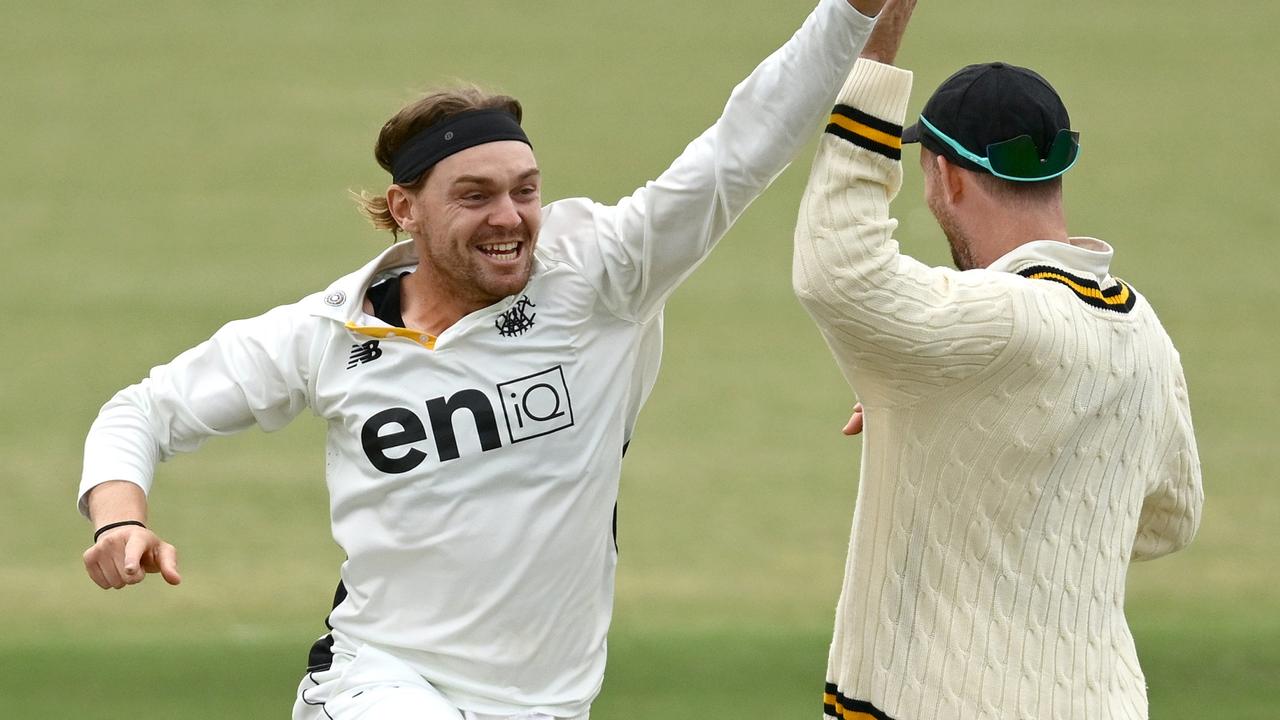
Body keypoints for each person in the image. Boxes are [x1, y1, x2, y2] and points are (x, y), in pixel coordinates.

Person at [77, 1, 889, 718]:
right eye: (475, 196)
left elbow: (744, 144)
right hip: (378, 682)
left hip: (549, 698)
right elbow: (144, 411)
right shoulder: (329, 333)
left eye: (525, 189)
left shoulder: (603, 274)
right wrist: (122, 520)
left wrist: (853, 9)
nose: (511, 218)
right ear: (406, 209)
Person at [791, 2, 1204, 718]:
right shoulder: (1144, 333)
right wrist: (963, 429)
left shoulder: (997, 320)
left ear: (945, 177)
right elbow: (1172, 518)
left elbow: (837, 269)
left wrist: (874, 54)